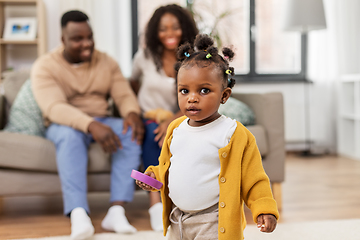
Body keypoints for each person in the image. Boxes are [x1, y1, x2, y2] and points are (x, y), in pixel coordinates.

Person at [136, 34, 279, 240]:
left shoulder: (234, 134)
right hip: (178, 218)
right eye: (184, 90)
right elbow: (171, 166)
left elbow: (255, 179)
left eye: (204, 90)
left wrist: (264, 208)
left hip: (214, 221)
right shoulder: (175, 128)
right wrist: (155, 176)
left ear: (224, 95)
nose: (192, 98)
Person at [31, 10, 144, 240]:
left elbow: (123, 95)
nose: (87, 44)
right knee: (70, 137)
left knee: (130, 131)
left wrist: (131, 113)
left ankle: (116, 210)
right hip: (65, 124)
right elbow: (54, 108)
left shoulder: (106, 62)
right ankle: (78, 212)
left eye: (90, 37)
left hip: (102, 119)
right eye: (77, 39)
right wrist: (91, 125)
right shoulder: (44, 66)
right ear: (63, 40)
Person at [129, 4, 198, 232]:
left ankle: (188, 202)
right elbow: (132, 83)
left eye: (175, 28)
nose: (169, 34)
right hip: (149, 117)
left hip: (183, 117)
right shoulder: (145, 57)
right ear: (154, 33)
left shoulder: (195, 59)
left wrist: (175, 119)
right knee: (155, 135)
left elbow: (199, 92)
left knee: (178, 134)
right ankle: (155, 204)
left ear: (184, 29)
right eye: (162, 29)